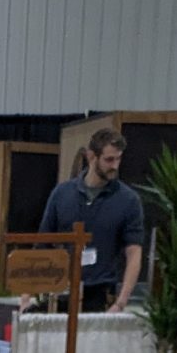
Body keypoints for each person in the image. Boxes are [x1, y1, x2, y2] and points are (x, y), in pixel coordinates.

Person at [37, 127, 145, 315]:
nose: (115, 166)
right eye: (109, 160)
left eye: (118, 159)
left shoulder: (128, 200)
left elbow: (134, 252)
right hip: (61, 290)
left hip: (101, 292)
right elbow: (42, 243)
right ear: (91, 157)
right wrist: (27, 294)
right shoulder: (62, 194)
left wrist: (121, 303)